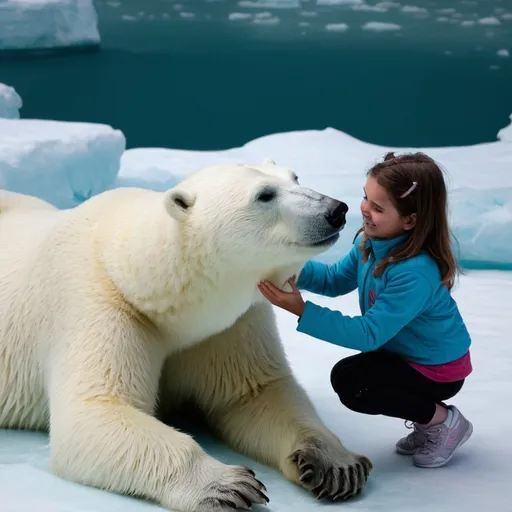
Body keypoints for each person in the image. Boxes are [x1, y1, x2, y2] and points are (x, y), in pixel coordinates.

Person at [257, 152, 473, 469]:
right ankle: (428, 420)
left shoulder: (414, 273)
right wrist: (293, 269)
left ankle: (443, 422)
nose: (365, 210)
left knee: (354, 385)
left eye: (378, 207)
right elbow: (333, 280)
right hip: (404, 353)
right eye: (365, 198)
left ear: (410, 220)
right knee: (348, 376)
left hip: (438, 369)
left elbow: (369, 334)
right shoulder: (370, 245)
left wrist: (301, 309)